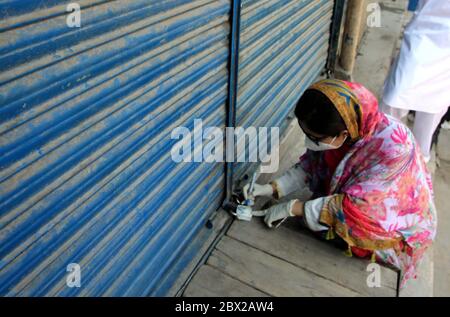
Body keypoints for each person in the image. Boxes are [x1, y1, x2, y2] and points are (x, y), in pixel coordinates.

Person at [244, 79, 437, 286]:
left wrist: (294, 208)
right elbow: (311, 165)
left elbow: (358, 210)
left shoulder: (394, 148)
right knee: (319, 217)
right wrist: (271, 188)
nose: (309, 143)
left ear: (342, 135)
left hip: (392, 221)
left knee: (343, 232)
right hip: (361, 196)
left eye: (315, 138)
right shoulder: (349, 124)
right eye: (307, 134)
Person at [381, 0, 450, 162]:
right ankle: (382, 151)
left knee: (432, 110)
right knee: (395, 96)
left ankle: (418, 166)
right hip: (422, 33)